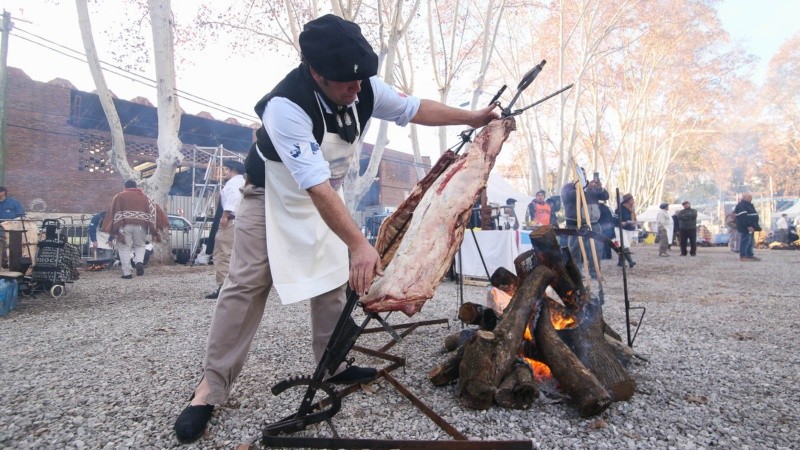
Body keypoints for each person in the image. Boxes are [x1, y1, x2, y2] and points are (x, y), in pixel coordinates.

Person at [173, 14, 500, 444]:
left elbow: (415, 107)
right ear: (316, 73)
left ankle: (333, 365)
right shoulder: (286, 107)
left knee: (333, 283)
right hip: (270, 194)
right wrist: (359, 243)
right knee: (246, 285)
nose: (357, 89)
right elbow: (315, 187)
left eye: (362, 80)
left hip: (326, 193)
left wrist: (474, 117)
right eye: (347, 83)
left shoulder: (360, 83)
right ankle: (210, 390)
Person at [101, 180, 168, 279]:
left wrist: (111, 231)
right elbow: (155, 209)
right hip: (141, 226)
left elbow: (112, 212)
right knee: (140, 245)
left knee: (124, 247)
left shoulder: (119, 196)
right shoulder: (145, 197)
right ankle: (139, 262)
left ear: (125, 187)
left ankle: (127, 273)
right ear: (136, 186)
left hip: (124, 226)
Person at [205, 160, 246, 299]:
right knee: (235, 254)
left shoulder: (233, 183)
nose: (225, 173)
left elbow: (233, 197)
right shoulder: (243, 181)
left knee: (222, 253)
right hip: (241, 221)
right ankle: (236, 285)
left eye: (226, 170)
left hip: (230, 221)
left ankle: (224, 286)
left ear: (232, 170)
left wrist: (225, 214)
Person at [0, 187, 25, 269]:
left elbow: (21, 216)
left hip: (10, 229)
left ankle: (5, 263)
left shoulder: (13, 202)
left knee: (3, 241)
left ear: (3, 192)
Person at [734, 193, 761, 261]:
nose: (751, 198)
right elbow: (743, 217)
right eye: (749, 197)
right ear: (744, 198)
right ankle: (743, 256)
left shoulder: (749, 205)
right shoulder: (741, 206)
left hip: (752, 227)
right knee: (745, 241)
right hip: (745, 227)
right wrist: (748, 226)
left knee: (750, 242)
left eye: (751, 197)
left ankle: (750, 255)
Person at [613, 193, 637, 268]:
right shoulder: (619, 209)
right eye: (632, 199)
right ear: (628, 200)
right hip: (620, 228)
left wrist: (634, 223)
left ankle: (621, 262)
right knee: (625, 244)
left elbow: (633, 218)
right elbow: (615, 220)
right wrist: (621, 223)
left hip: (629, 229)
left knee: (624, 246)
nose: (633, 200)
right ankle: (630, 261)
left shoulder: (632, 209)